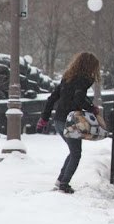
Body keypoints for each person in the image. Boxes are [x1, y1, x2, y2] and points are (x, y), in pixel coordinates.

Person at [36, 52, 101, 194]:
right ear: (89, 66)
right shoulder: (83, 80)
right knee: (76, 154)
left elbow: (52, 98)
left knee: (73, 152)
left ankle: (60, 181)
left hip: (59, 120)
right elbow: (78, 99)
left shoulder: (67, 77)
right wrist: (92, 109)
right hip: (71, 121)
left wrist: (44, 118)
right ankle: (64, 184)